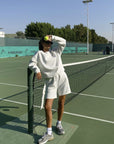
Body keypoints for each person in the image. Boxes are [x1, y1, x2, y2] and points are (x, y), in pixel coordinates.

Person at [29, 35, 71, 144]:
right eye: (47, 43)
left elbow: (63, 41)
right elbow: (31, 63)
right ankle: (49, 133)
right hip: (50, 81)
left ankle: (59, 123)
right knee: (48, 106)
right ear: (42, 43)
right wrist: (37, 70)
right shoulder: (38, 54)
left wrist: (52, 37)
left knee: (61, 103)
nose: (49, 45)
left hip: (62, 77)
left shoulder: (56, 52)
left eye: (50, 43)